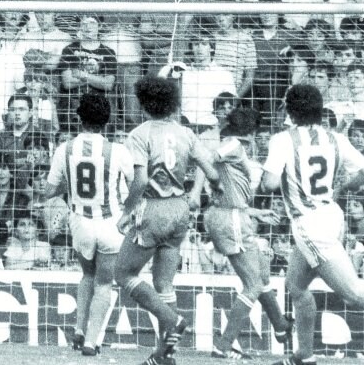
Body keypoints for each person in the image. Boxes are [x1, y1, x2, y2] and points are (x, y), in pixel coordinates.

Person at [113, 76, 220, 365]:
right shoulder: (185, 133)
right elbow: (211, 172)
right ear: (172, 103)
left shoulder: (139, 134)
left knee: (122, 273)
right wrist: (212, 191)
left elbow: (140, 180)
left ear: (144, 102)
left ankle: (171, 319)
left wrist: (126, 211)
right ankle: (166, 355)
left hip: (154, 207)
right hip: (180, 208)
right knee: (163, 283)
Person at [261, 84, 364, 365]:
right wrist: (349, 186)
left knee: (354, 294)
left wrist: (263, 173)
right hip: (332, 215)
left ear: (290, 112)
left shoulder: (283, 140)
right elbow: (362, 169)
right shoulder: (336, 139)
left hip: (310, 226)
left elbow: (269, 183)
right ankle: (304, 356)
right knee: (296, 285)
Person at [199, 108, 293, 358]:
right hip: (231, 219)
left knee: (261, 272)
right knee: (253, 284)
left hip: (232, 214)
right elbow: (207, 158)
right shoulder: (233, 145)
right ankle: (223, 344)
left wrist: (255, 212)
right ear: (251, 131)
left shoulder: (232, 147)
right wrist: (202, 184)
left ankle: (281, 326)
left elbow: (228, 189)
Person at [45, 93, 134, 356]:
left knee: (87, 275)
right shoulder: (117, 150)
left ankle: (79, 328)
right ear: (107, 120)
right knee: (104, 283)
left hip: (80, 224)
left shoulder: (65, 149)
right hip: (110, 224)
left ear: (78, 118)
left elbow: (50, 190)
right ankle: (91, 341)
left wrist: (68, 186)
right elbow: (133, 183)